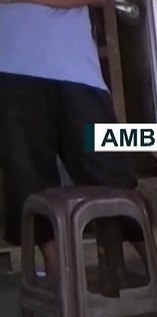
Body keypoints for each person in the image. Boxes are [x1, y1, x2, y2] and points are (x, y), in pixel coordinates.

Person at [0, 0, 137, 284]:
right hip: (11, 66)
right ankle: (57, 276)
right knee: (27, 182)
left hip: (77, 72)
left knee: (113, 176)